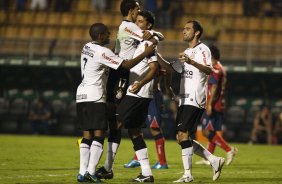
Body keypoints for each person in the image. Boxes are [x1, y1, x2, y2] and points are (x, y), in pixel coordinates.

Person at [75, 23, 155, 183]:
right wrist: (145, 53)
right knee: (99, 133)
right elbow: (126, 65)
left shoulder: (87, 46)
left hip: (81, 94)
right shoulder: (102, 51)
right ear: (99, 36)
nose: (110, 34)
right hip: (95, 95)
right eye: (106, 33)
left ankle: (82, 172)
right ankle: (91, 172)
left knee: (86, 134)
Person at [94, 0, 164, 181]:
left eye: (141, 16)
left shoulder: (134, 34)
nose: (138, 14)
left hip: (128, 81)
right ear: (131, 11)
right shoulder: (128, 27)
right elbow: (155, 38)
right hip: (121, 77)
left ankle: (109, 167)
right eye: (137, 11)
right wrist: (155, 36)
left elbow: (155, 42)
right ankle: (116, 168)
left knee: (117, 124)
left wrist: (154, 37)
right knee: (128, 127)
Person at [157, 20, 225, 182]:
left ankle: (188, 175)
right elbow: (171, 68)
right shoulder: (187, 51)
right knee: (182, 137)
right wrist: (154, 54)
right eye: (183, 28)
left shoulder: (202, 49)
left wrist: (191, 61)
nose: (184, 31)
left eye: (188, 29)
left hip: (195, 97)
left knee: (183, 134)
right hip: (184, 99)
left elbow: (209, 70)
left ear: (197, 33)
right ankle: (214, 160)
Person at [196, 45, 238, 166]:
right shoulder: (221, 68)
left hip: (214, 104)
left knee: (206, 132)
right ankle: (209, 157)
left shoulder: (215, 69)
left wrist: (209, 104)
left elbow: (214, 87)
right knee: (211, 131)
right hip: (219, 103)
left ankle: (229, 149)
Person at [123, 68, 171, 170]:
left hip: (152, 96)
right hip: (140, 95)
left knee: (155, 128)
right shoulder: (139, 55)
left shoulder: (155, 56)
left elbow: (167, 69)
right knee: (136, 126)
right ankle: (137, 159)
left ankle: (162, 162)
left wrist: (167, 87)